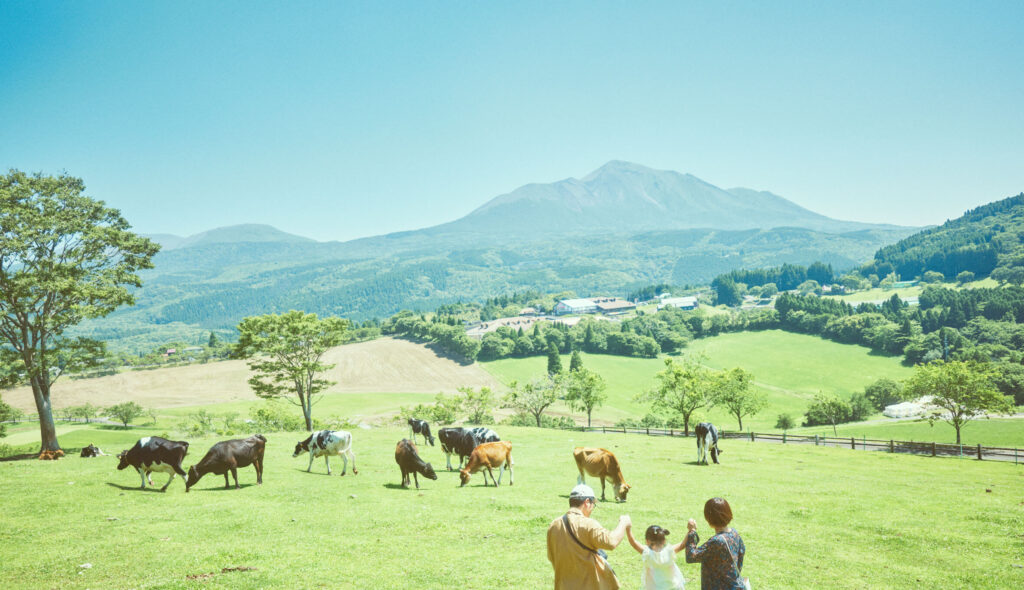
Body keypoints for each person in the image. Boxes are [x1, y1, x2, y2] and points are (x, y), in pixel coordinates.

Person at [547, 483, 631, 590]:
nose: (592, 509)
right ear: (587, 502)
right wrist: (623, 523)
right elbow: (612, 542)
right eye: (593, 505)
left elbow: (552, 557)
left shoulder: (553, 525)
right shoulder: (587, 524)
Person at [684, 497, 746, 590]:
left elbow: (691, 556)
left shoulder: (717, 541)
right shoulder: (734, 534)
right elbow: (741, 556)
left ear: (709, 518)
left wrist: (692, 532)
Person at [625, 523, 686, 589]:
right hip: (672, 587)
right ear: (664, 541)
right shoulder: (670, 551)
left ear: (647, 541)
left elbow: (633, 542)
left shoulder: (647, 553)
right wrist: (691, 530)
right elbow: (683, 544)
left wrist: (628, 529)